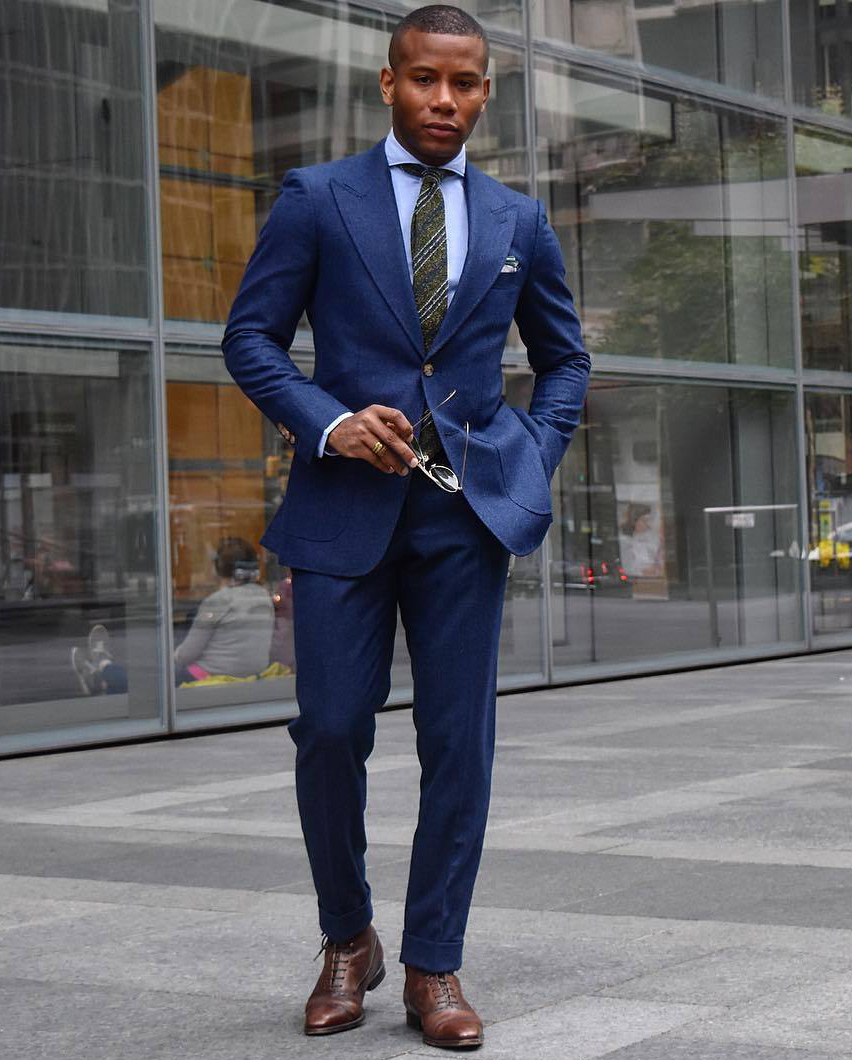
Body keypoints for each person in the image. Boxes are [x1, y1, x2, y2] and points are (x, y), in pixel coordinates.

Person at [221, 4, 590, 1049]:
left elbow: (564, 358)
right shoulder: (318, 199)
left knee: (457, 746)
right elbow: (249, 338)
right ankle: (350, 938)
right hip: (340, 510)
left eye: (464, 83)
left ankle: (433, 963)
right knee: (330, 731)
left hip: (461, 520)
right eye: (425, 79)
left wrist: (531, 449)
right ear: (387, 82)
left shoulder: (518, 219)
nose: (444, 99)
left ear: (485, 91)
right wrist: (329, 421)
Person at [70, 537, 275, 694]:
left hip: (207, 677)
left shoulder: (219, 601)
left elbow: (186, 655)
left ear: (219, 568)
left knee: (145, 686)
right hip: (250, 676)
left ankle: (102, 667)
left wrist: (172, 658)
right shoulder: (264, 596)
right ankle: (100, 677)